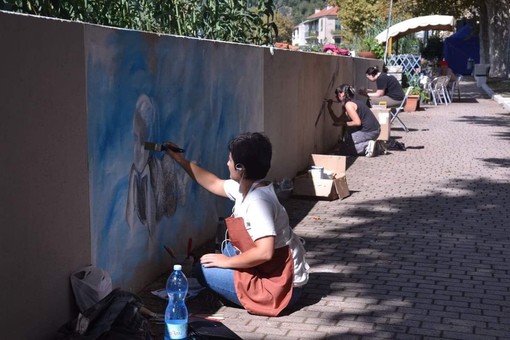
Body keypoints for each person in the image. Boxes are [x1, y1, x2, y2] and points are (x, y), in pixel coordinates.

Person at [164, 132, 309, 316]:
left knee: (202, 269)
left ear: (240, 168)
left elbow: (265, 252)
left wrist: (228, 262)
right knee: (227, 251)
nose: (227, 163)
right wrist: (180, 160)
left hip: (282, 288)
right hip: (275, 273)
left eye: (230, 160)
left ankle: (242, 294)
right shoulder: (247, 187)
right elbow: (213, 182)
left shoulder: (258, 202)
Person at [327, 84, 381, 157]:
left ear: (342, 94)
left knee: (345, 149)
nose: (336, 97)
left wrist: (343, 124)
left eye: (337, 94)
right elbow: (337, 121)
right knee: (345, 143)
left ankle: (368, 146)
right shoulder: (352, 103)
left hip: (369, 131)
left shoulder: (349, 105)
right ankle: (371, 145)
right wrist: (329, 108)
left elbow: (357, 122)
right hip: (374, 130)